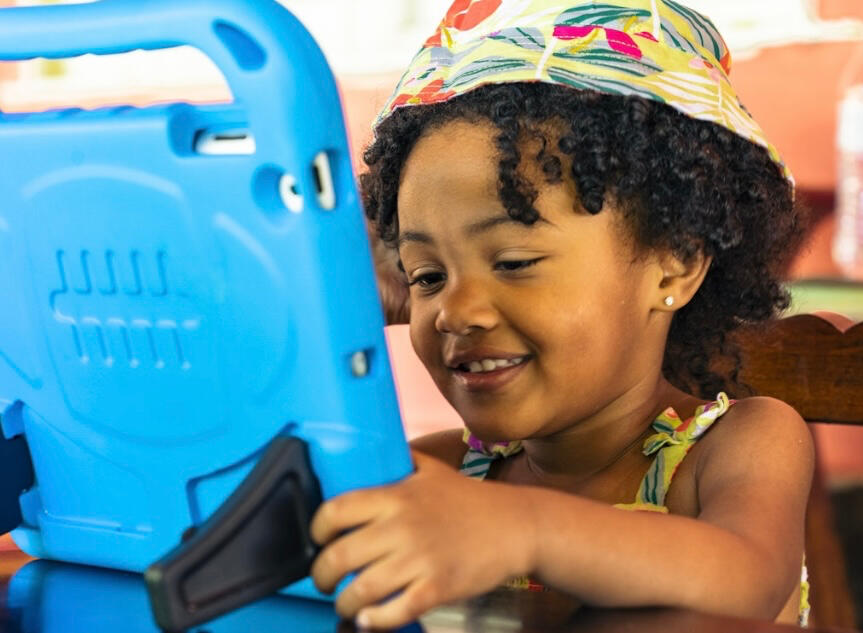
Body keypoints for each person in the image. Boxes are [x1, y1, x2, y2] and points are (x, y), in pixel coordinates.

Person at [309, 1, 814, 630]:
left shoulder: (740, 445)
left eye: (514, 262)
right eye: (428, 276)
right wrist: (328, 315)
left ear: (674, 265)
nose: (455, 312)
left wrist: (521, 530)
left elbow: (745, 582)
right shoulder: (446, 476)